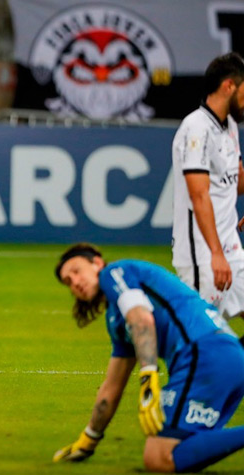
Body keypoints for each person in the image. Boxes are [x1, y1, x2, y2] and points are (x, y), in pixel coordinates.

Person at [53, 243, 244, 473]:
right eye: (67, 282)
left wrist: (148, 376)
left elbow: (142, 320)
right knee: (178, 445)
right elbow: (111, 388)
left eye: (76, 271)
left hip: (203, 356)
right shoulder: (117, 320)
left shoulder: (115, 273)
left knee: (159, 457)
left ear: (96, 262)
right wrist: (88, 439)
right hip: (226, 356)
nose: (74, 282)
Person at [172, 52, 244, 329]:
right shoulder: (196, 129)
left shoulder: (230, 127)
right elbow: (199, 195)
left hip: (231, 248)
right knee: (199, 337)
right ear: (229, 86)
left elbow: (235, 181)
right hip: (202, 254)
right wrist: (215, 254)